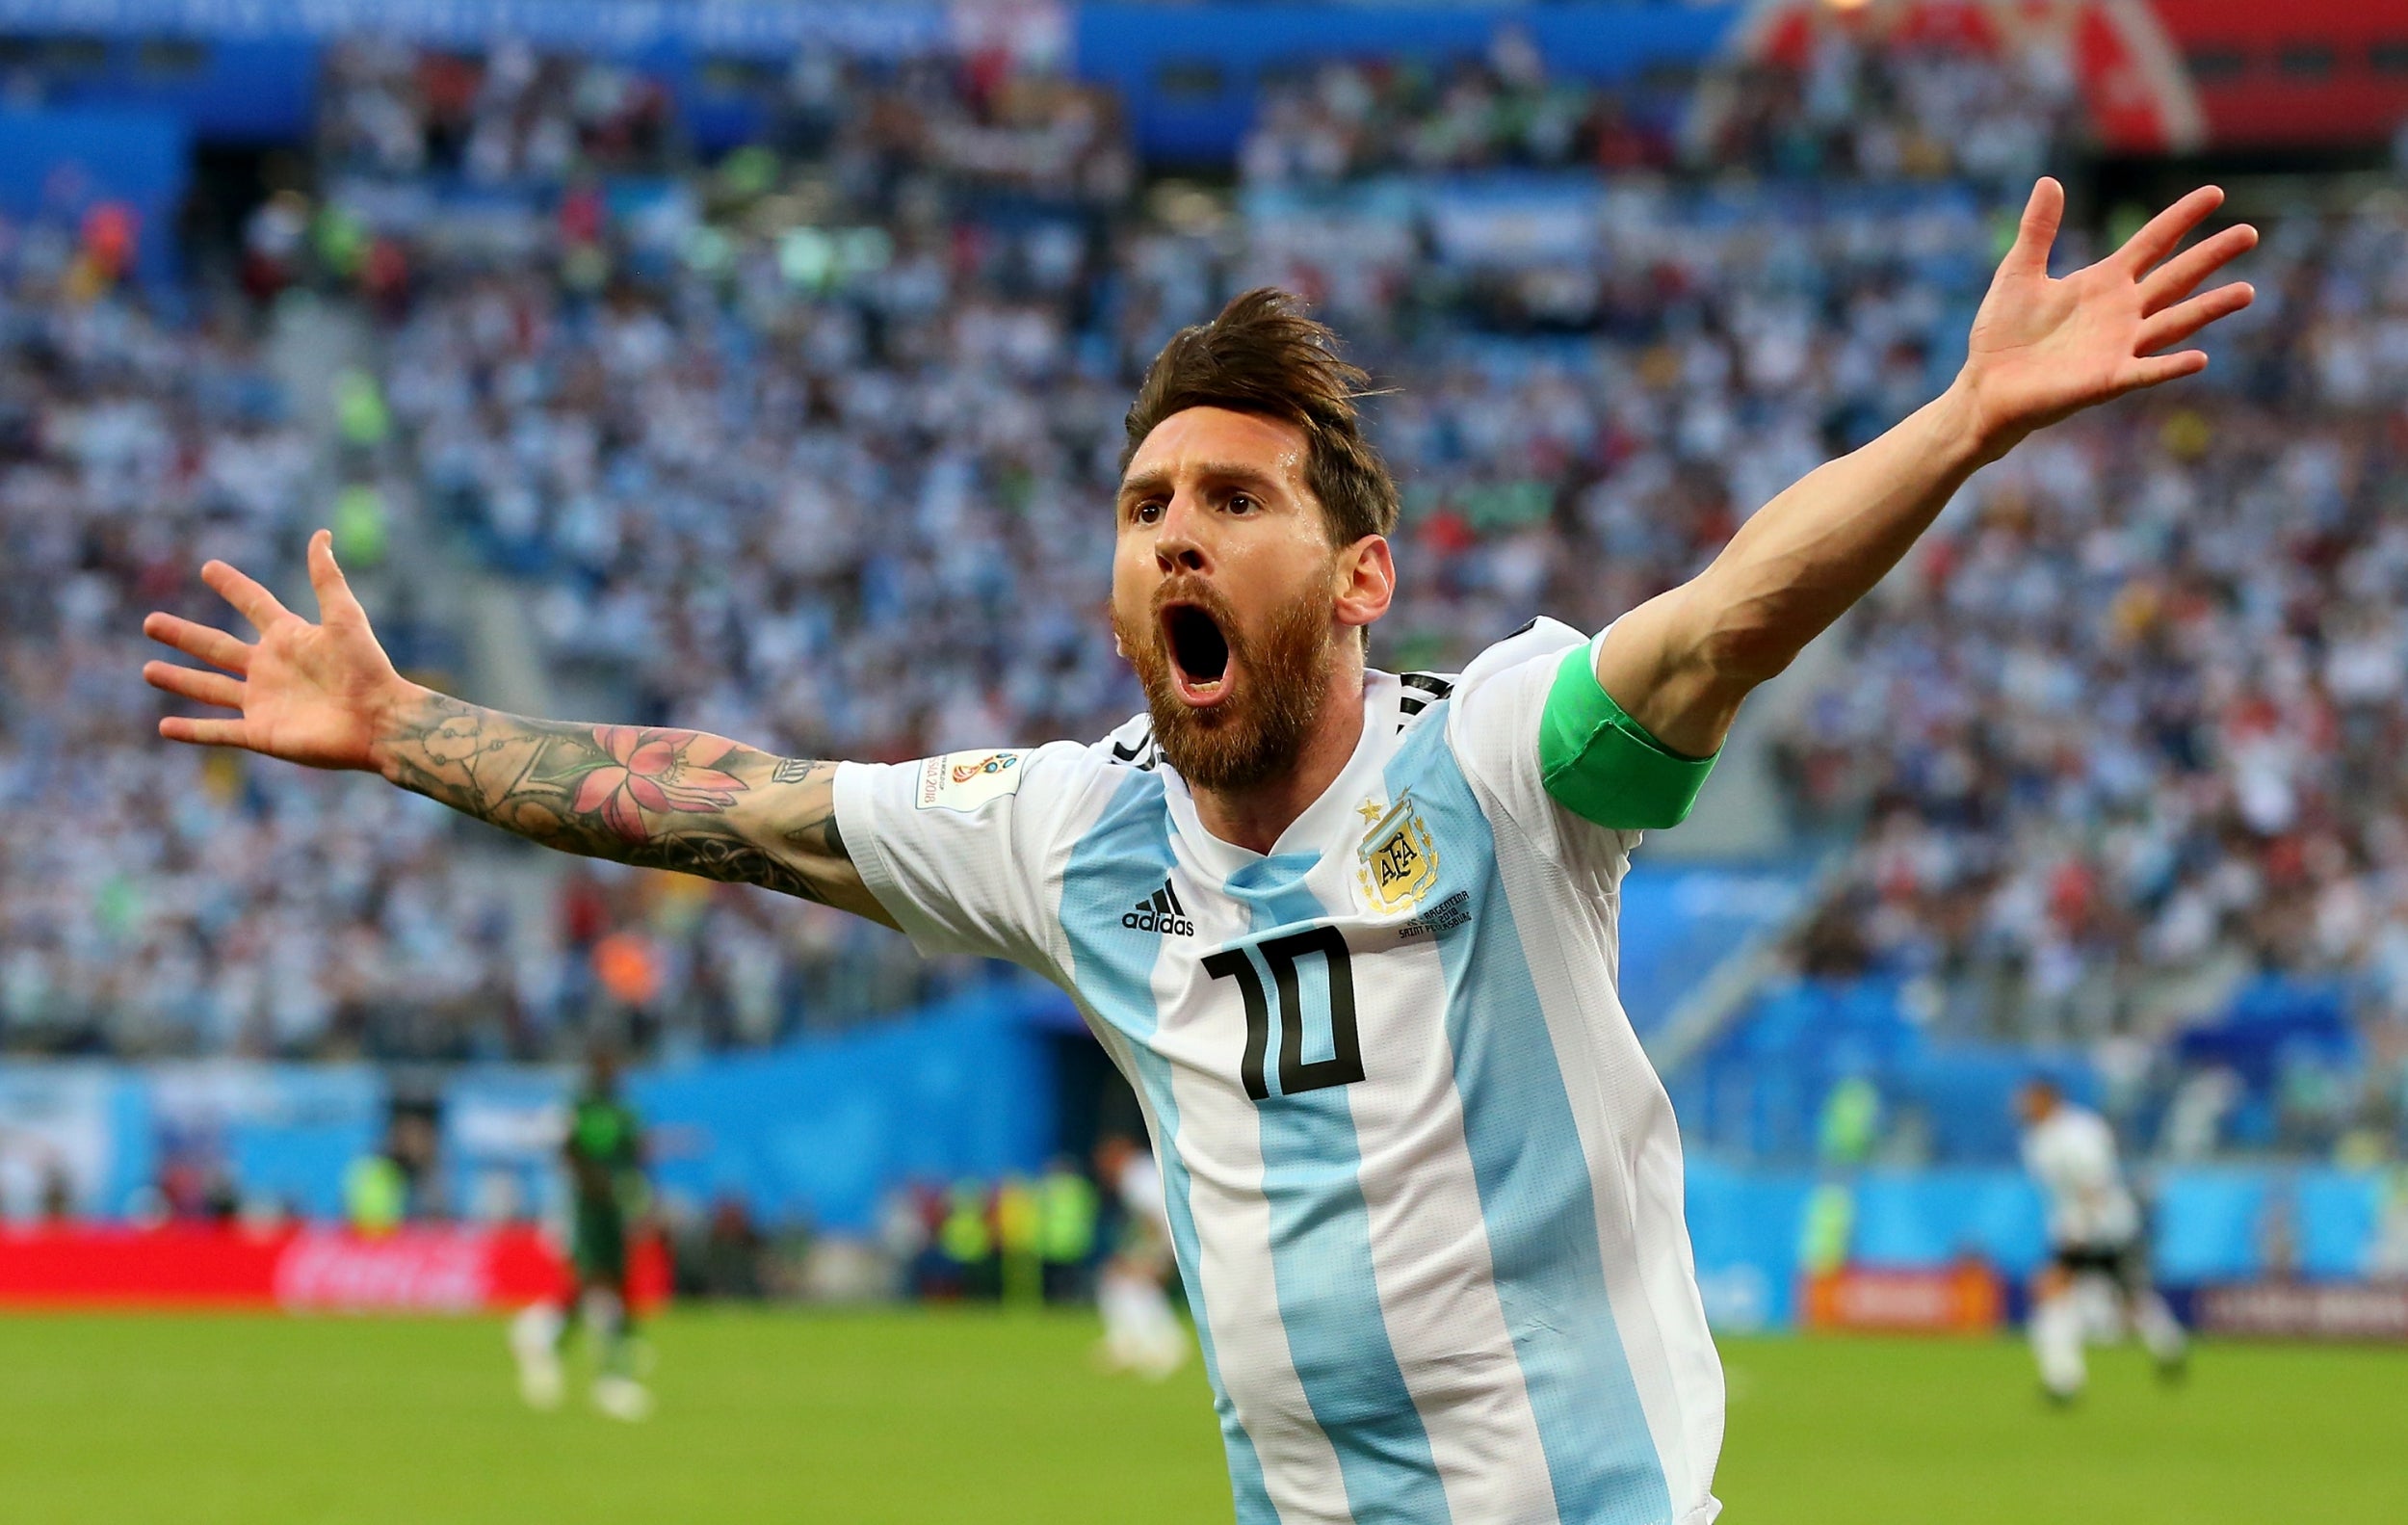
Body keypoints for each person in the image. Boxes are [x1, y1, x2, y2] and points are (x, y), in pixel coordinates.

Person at [144, 176, 2251, 1523]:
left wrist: (1958, 422)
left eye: (1232, 500)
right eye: (1147, 497)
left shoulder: (1502, 762)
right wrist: (404, 722)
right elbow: (734, 798)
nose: (1173, 526)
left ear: (1355, 576)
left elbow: (1720, 617)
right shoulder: (1068, 833)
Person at [2016, 1077, 2187, 1403]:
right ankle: (2168, 1349)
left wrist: (2080, 1232)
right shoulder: (2037, 1138)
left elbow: (2095, 1184)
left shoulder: (2077, 1133)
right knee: (2126, 1296)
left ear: (2046, 1099)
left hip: (2100, 1228)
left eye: (2027, 1100)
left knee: (2063, 1295)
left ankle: (2064, 1380)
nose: (2020, 1107)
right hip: (2090, 1227)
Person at [509, 1046, 654, 1420]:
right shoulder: (579, 1109)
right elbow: (567, 1152)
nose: (611, 1072)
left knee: (609, 1282)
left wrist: (636, 1193)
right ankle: (610, 1373)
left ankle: (548, 1339)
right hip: (584, 1209)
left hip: (615, 1207)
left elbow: (636, 1153)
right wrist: (595, 1183)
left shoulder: (624, 1111)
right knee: (594, 1280)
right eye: (604, 1064)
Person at [1093, 1135, 1190, 1380]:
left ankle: (1161, 1345)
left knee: (1128, 1282)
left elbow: (1154, 1217)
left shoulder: (1134, 1175)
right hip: (1172, 1234)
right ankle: (1131, 1342)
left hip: (1166, 1236)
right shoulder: (1141, 1169)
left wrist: (1150, 1256)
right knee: (1122, 1282)